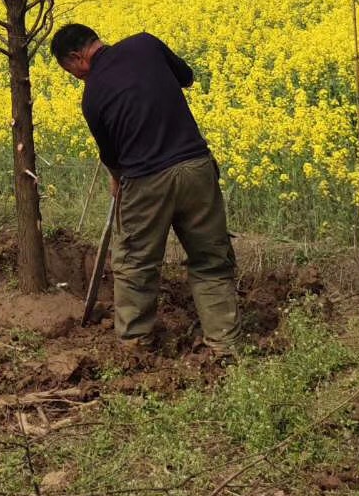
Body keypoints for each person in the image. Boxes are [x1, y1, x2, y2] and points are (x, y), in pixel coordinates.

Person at [51, 22, 240, 358]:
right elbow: (187, 77)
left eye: (72, 71)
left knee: (136, 264)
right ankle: (225, 345)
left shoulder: (92, 96)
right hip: (196, 167)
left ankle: (136, 348)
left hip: (146, 182)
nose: (78, 77)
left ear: (78, 58)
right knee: (211, 259)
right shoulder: (145, 43)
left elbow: (112, 157)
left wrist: (116, 180)